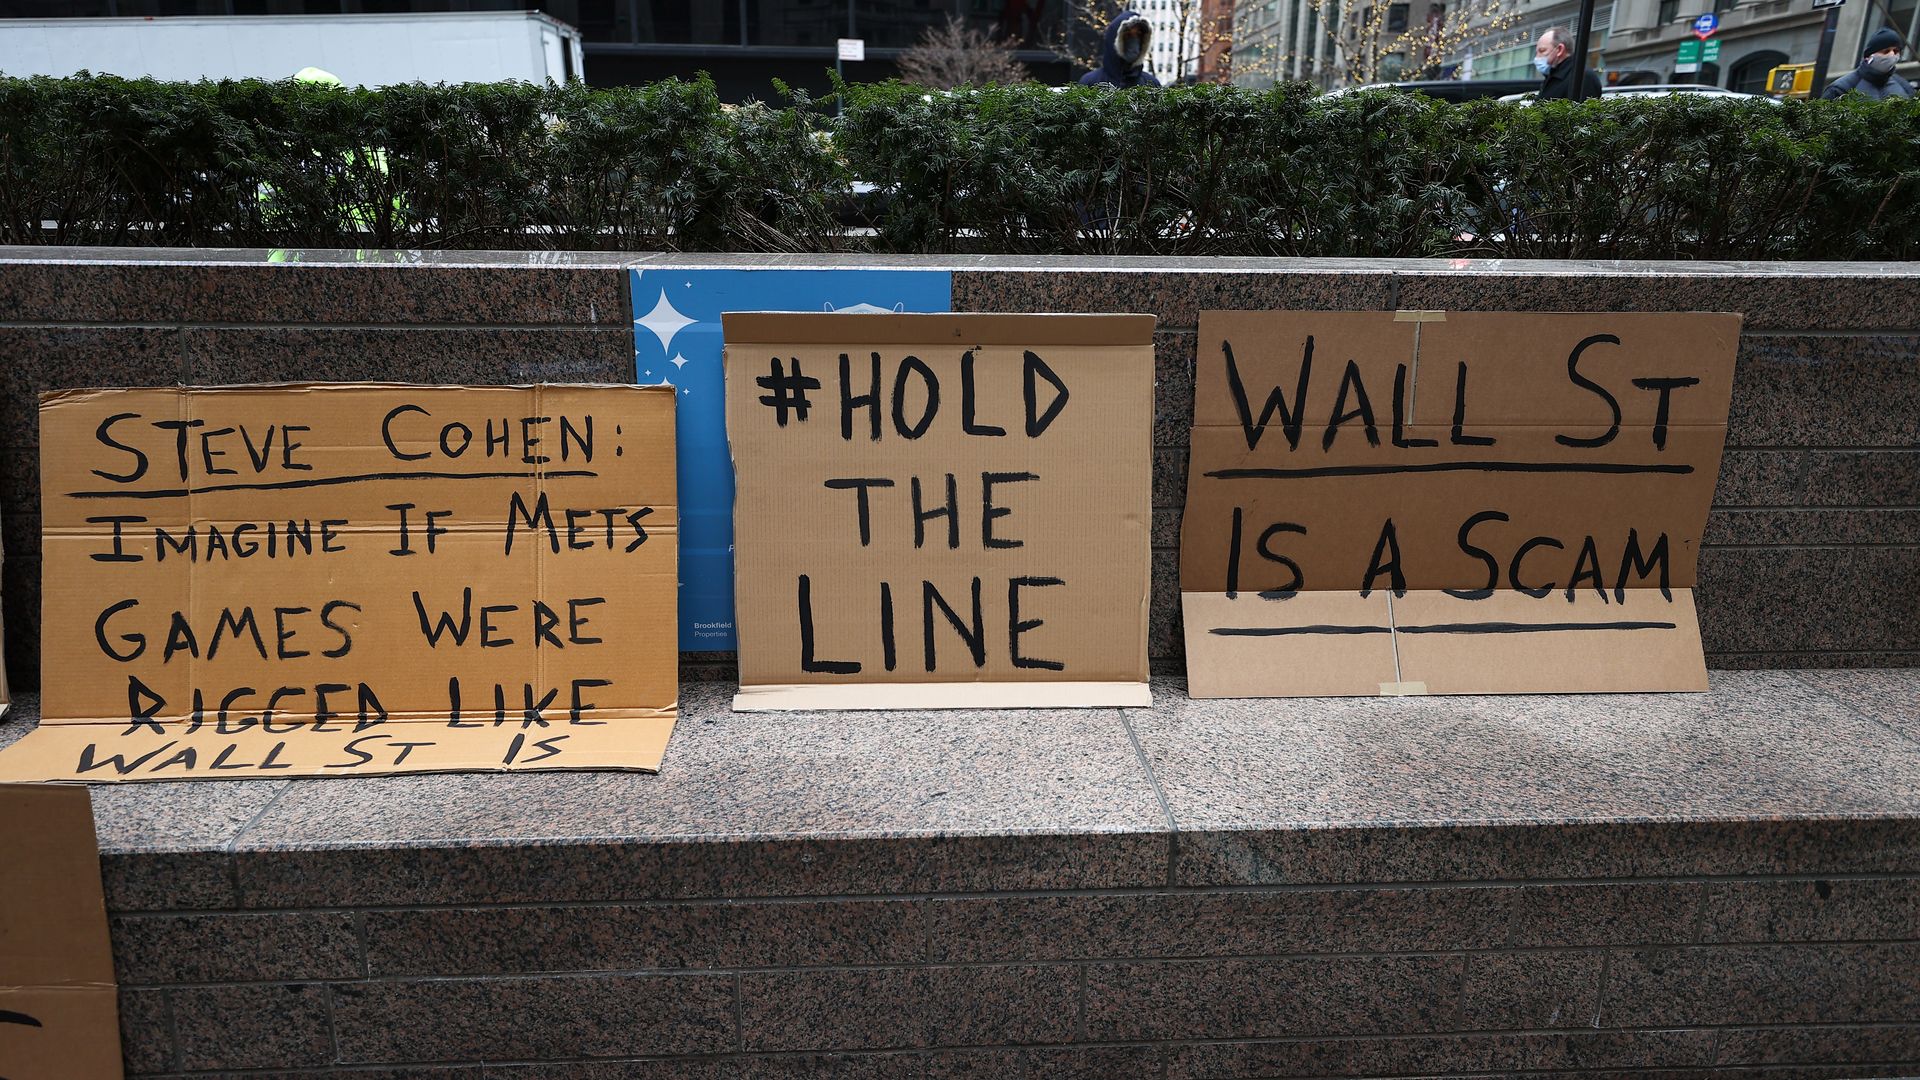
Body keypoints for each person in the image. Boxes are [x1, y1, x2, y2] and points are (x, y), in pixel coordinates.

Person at [1822, 27, 1914, 99]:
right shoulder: (1841, 88)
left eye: (1896, 51)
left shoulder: (1904, 86)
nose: (1892, 55)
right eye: (1886, 51)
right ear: (1869, 56)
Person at [1080, 10, 1161, 88]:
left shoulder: (1151, 85)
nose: (1134, 41)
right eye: (1128, 35)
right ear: (1115, 39)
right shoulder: (1090, 82)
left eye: (1139, 35)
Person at [1534, 28, 1602, 101]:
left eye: (1542, 51)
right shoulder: (1553, 77)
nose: (1537, 57)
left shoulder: (1582, 77)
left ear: (1560, 49)